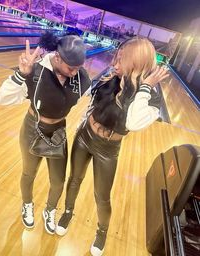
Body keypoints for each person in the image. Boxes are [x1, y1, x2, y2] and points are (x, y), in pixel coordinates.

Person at [55, 38, 169, 256]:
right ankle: (68, 212)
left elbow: (132, 123)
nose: (114, 64)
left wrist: (144, 88)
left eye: (121, 60)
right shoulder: (112, 77)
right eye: (116, 58)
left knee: (102, 196)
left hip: (108, 150)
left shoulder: (150, 96)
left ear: (136, 63)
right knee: (74, 179)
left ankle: (102, 231)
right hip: (85, 136)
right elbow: (92, 104)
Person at [0, 32, 91, 232]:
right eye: (70, 67)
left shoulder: (82, 79)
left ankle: (50, 210)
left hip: (58, 131)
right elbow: (2, 99)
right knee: (28, 173)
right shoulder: (35, 71)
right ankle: (27, 204)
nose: (74, 72)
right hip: (33, 128)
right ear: (57, 57)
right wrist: (22, 73)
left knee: (58, 181)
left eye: (78, 68)